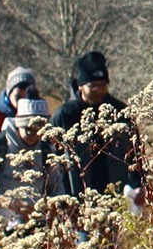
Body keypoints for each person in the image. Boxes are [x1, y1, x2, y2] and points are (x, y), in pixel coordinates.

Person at [52, 51, 145, 209]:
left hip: (117, 197)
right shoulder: (65, 115)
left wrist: (139, 185)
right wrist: (64, 201)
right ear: (81, 86)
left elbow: (135, 153)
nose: (99, 90)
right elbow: (54, 161)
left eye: (103, 85)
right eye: (93, 85)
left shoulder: (120, 111)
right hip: (79, 201)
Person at [0, 97, 74, 229]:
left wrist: (52, 209)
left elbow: (57, 189)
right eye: (28, 129)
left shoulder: (47, 150)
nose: (33, 135)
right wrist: (5, 202)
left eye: (38, 130)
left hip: (35, 229)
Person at [0, 67, 43, 151]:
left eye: (26, 98)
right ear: (9, 94)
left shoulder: (41, 116)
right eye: (18, 97)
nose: (21, 103)